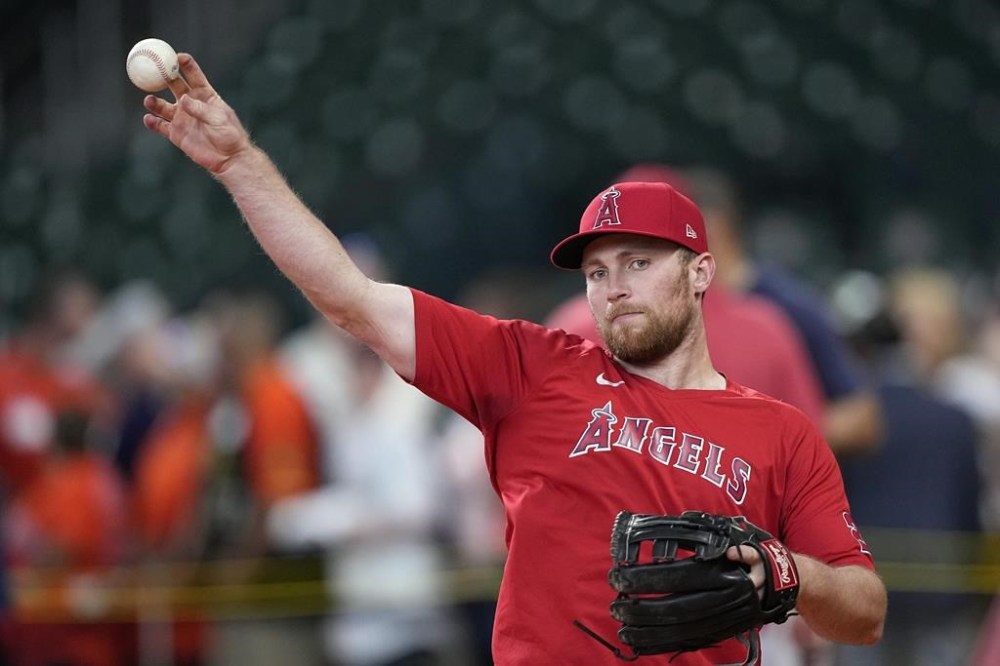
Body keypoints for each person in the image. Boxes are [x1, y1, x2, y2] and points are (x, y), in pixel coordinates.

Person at [139, 53, 886, 665]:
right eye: (596, 271)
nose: (613, 288)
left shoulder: (781, 433)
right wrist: (239, 164)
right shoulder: (534, 368)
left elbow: (865, 611)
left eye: (638, 262)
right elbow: (351, 299)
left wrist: (786, 574)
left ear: (699, 271)